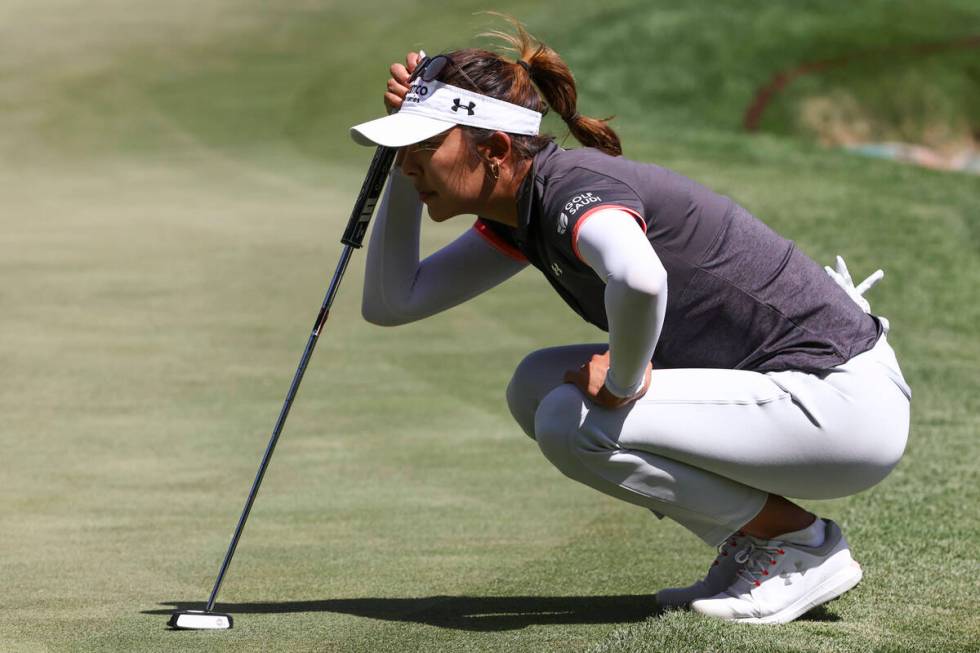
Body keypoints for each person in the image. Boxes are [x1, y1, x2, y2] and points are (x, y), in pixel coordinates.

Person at [348, 21, 911, 624]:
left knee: (570, 418)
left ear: (495, 151)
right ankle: (759, 544)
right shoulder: (522, 209)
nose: (409, 164)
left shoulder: (570, 190)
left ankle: (800, 546)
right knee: (536, 387)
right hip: (805, 396)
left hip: (841, 403)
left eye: (425, 147)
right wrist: (402, 155)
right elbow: (394, 301)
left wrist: (624, 379)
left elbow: (641, 278)